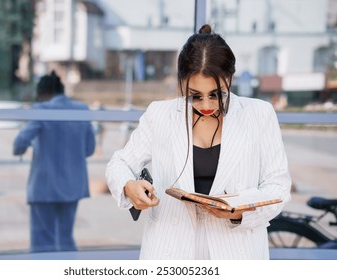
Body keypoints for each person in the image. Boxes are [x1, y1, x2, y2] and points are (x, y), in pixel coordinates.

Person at [106, 24, 291, 260]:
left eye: (217, 94)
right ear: (181, 82)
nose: (206, 104)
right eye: (194, 95)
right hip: (169, 250)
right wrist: (128, 186)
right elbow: (119, 163)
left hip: (237, 252)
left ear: (230, 79)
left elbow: (278, 187)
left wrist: (236, 212)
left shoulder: (259, 114)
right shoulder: (160, 114)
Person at [13, 71, 96, 252]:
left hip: (44, 186)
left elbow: (19, 144)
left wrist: (23, 147)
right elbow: (89, 149)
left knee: (42, 241)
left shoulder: (42, 110)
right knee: (65, 239)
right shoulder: (81, 110)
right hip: (72, 185)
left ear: (42, 93)